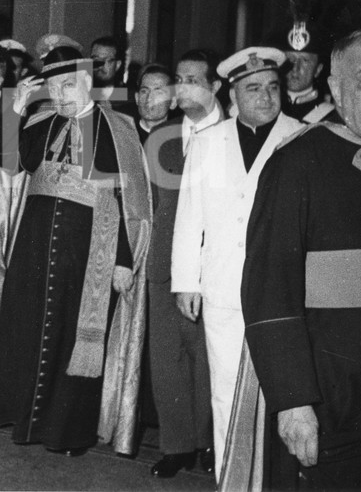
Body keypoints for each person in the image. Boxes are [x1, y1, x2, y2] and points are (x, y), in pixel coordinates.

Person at [240, 29, 361, 489]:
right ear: (336, 89)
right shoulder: (296, 163)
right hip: (329, 411)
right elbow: (268, 290)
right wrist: (294, 401)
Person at [0, 45, 151, 456]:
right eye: (53, 86)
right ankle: (27, 424)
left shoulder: (119, 129)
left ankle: (67, 434)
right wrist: (16, 108)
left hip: (89, 251)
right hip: (36, 248)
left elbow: (134, 204)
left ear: (88, 83)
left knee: (74, 341)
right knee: (31, 332)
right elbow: (4, 158)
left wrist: (124, 261)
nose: (59, 95)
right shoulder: (41, 123)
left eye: (67, 85)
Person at [171, 46, 302, 479]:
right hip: (223, 286)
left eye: (272, 87)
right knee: (225, 390)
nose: (265, 97)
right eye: (253, 89)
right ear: (233, 95)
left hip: (285, 292)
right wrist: (187, 281)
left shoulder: (301, 138)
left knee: (284, 391)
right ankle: (231, 480)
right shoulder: (209, 143)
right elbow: (190, 216)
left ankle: (278, 481)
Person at [143, 50, 223, 478]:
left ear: (215, 87)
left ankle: (209, 442)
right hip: (164, 264)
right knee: (168, 360)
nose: (182, 86)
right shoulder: (163, 136)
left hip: (215, 269)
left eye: (193, 79)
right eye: (179, 77)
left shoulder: (233, 135)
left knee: (208, 358)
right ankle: (175, 446)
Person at [134, 63, 175, 145]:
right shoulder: (122, 136)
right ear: (137, 98)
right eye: (144, 91)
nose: (149, 98)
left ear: (173, 102)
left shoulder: (181, 142)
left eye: (158, 93)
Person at [90, 36, 132, 113]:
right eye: (96, 59)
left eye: (108, 60)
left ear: (117, 65)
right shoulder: (82, 94)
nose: (100, 65)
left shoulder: (128, 97)